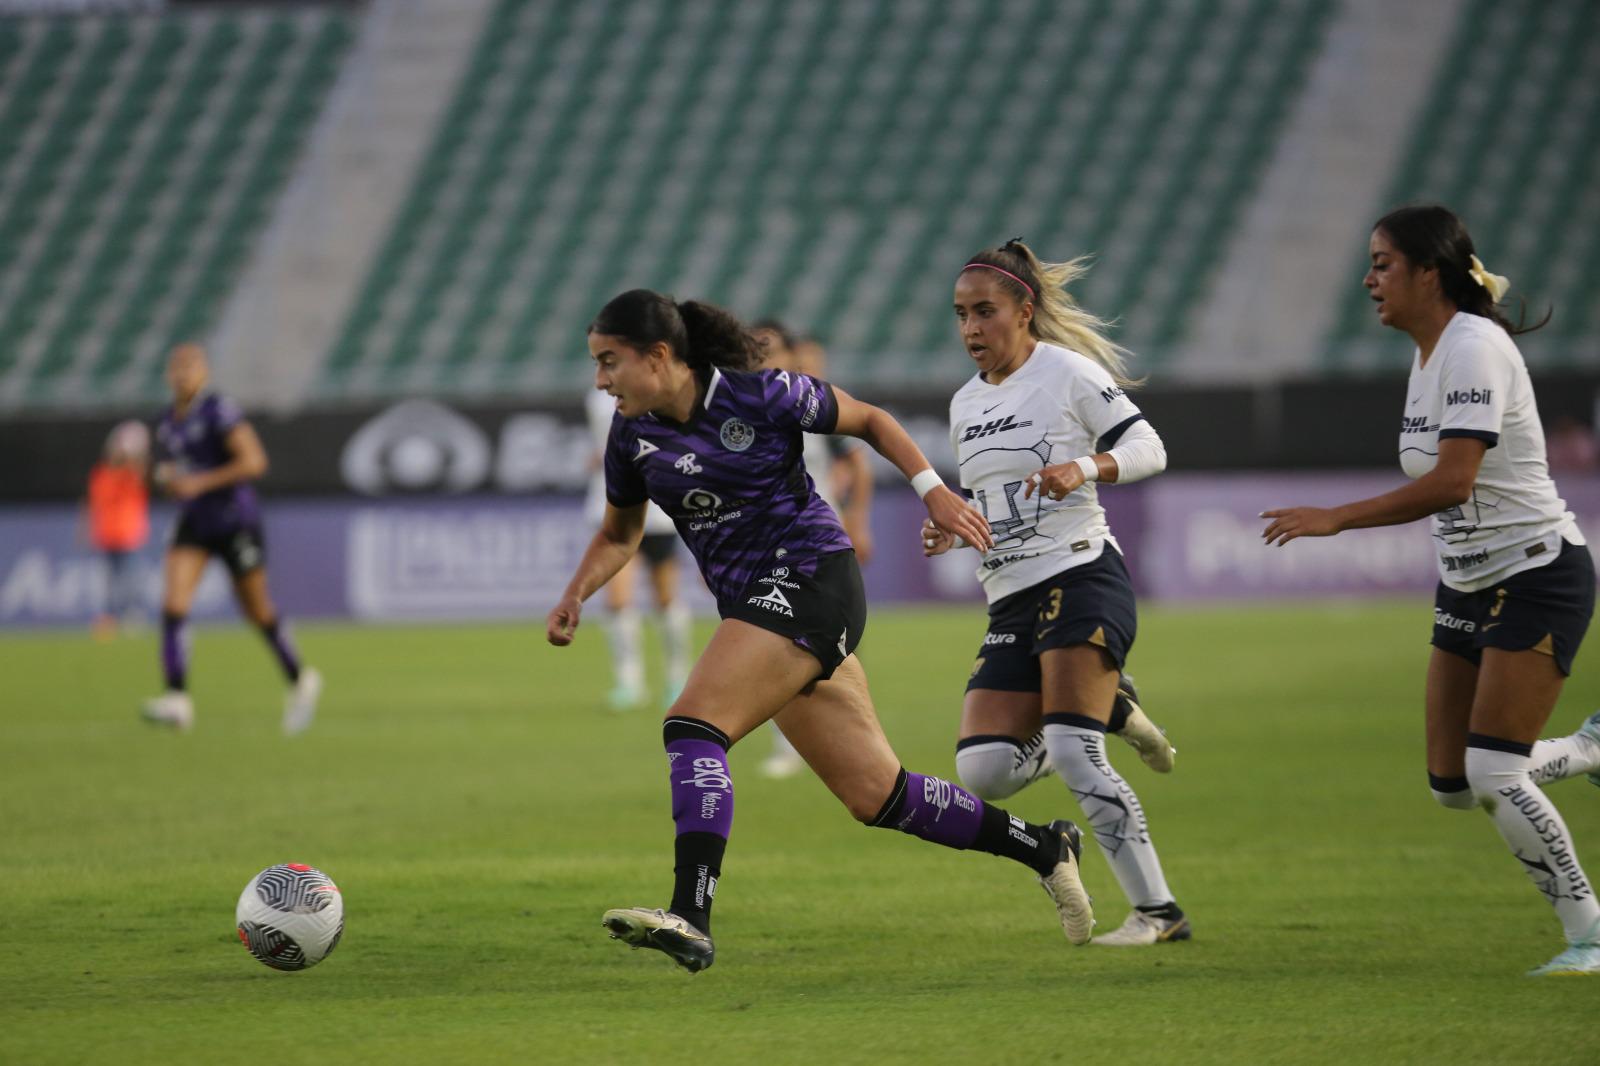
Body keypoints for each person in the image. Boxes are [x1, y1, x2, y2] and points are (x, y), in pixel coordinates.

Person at [547, 289, 1095, 973]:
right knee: (878, 795)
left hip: (812, 579)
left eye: (609, 362)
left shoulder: (763, 394)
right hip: (755, 606)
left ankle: (690, 914)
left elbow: (869, 420)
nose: (600, 380)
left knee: (693, 725)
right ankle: (1043, 846)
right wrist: (576, 594)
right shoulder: (632, 435)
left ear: (660, 356)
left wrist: (936, 492)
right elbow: (619, 533)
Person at [1261, 205, 1598, 976]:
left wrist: (1336, 519)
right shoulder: (1428, 353)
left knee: (1494, 772)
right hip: (1468, 583)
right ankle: (1584, 751)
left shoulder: (1475, 348)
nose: (1369, 279)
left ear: (1429, 273)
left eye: (1383, 263)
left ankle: (1591, 933)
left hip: (1536, 574)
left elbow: (1453, 481)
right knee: (1452, 781)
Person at [921, 239, 1188, 947]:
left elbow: (1150, 449)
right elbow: (993, 502)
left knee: (1073, 752)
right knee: (984, 769)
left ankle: (1158, 913)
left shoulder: (1068, 372)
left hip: (1081, 576)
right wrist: (953, 528)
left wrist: (1088, 466)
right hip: (1011, 597)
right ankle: (1112, 707)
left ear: (1024, 310)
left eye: (985, 311)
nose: (972, 328)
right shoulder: (965, 403)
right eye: (960, 315)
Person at [141, 343, 322, 735]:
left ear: (204, 372)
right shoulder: (166, 422)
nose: (182, 373)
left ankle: (300, 678)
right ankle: (177, 698)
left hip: (234, 521)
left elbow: (254, 460)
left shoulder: (218, 410)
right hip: (194, 522)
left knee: (257, 611)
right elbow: (169, 471)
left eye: (190, 366)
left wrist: (200, 482)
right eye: (176, 367)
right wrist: (167, 482)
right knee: (173, 602)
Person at [750, 321, 875, 778]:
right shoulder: (745, 411)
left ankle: (821, 747)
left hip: (816, 545)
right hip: (766, 546)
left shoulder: (809, 402)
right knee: (781, 649)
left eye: (771, 351)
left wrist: (858, 522)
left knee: (808, 651)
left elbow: (857, 463)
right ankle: (802, 746)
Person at [585, 386, 693, 710]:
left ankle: (677, 679)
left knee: (664, 598)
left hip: (658, 509)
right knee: (617, 597)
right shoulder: (596, 397)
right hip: (612, 507)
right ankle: (629, 682)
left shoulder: (663, 390)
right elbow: (601, 446)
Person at [84, 420, 151, 639]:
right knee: (110, 580)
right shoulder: (101, 474)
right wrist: (89, 530)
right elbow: (94, 503)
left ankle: (131, 614)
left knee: (130, 578)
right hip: (108, 535)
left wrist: (132, 452)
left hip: (129, 534)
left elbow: (141, 475)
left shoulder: (130, 473)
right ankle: (109, 617)